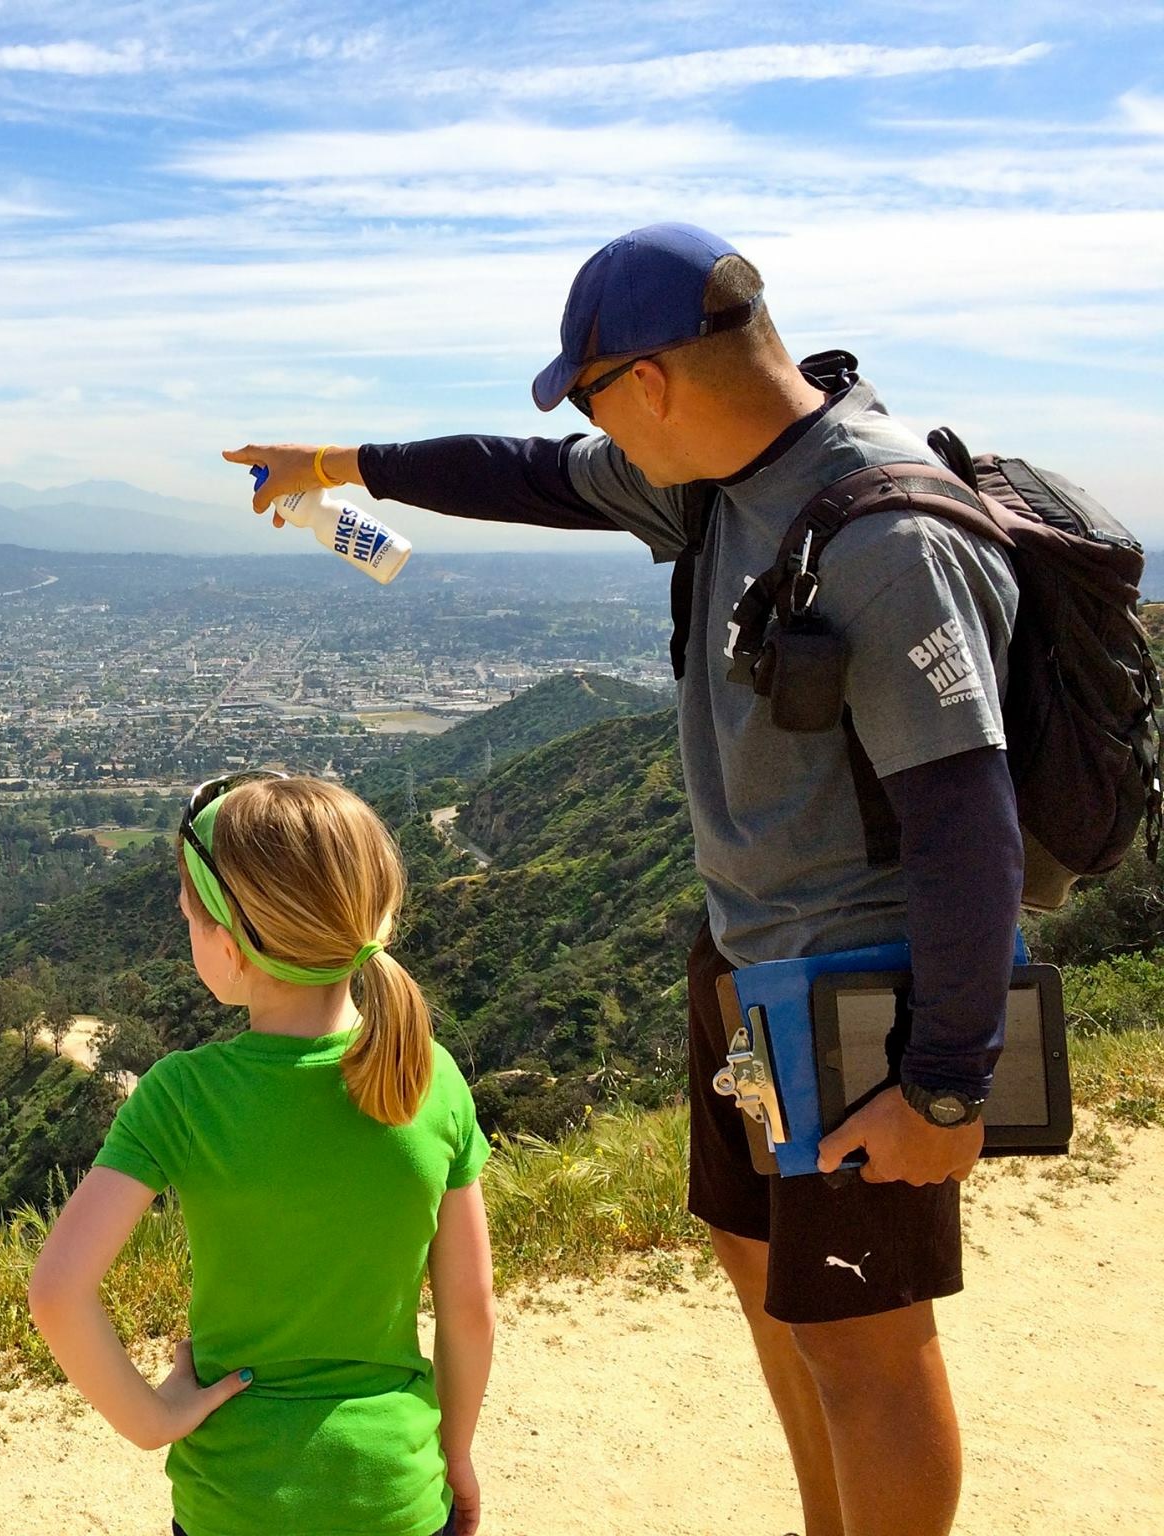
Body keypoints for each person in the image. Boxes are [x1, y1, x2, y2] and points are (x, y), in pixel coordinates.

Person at [225, 222, 1022, 1536]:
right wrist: (340, 467)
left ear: (647, 382)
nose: (594, 436)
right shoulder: (714, 481)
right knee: (780, 1295)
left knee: (868, 1351)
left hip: (857, 1001)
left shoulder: (883, 534)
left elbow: (968, 823)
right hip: (751, 966)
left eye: (595, 398)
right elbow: (527, 474)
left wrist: (946, 1078)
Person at [29, 771, 496, 1536]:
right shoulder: (428, 1077)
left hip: (234, 1504)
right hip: (399, 1497)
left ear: (231, 947)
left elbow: (56, 1293)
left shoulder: (183, 1095)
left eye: (188, 917)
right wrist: (457, 1454)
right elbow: (470, 1310)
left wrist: (153, 1419)